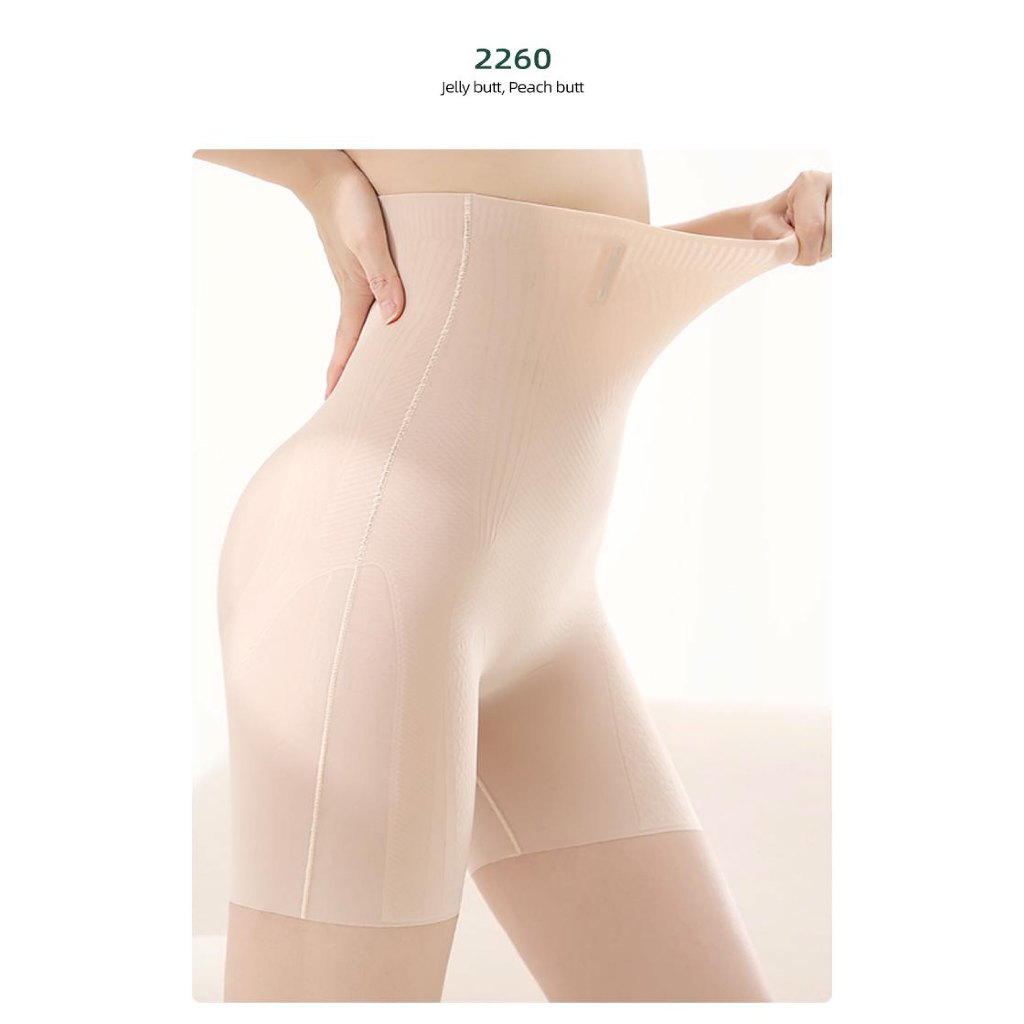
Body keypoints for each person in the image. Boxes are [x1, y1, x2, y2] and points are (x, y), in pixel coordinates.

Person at [193, 148, 831, 1002]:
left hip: (549, 617)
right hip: (370, 569)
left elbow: (556, 262)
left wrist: (762, 227)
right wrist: (315, 173)